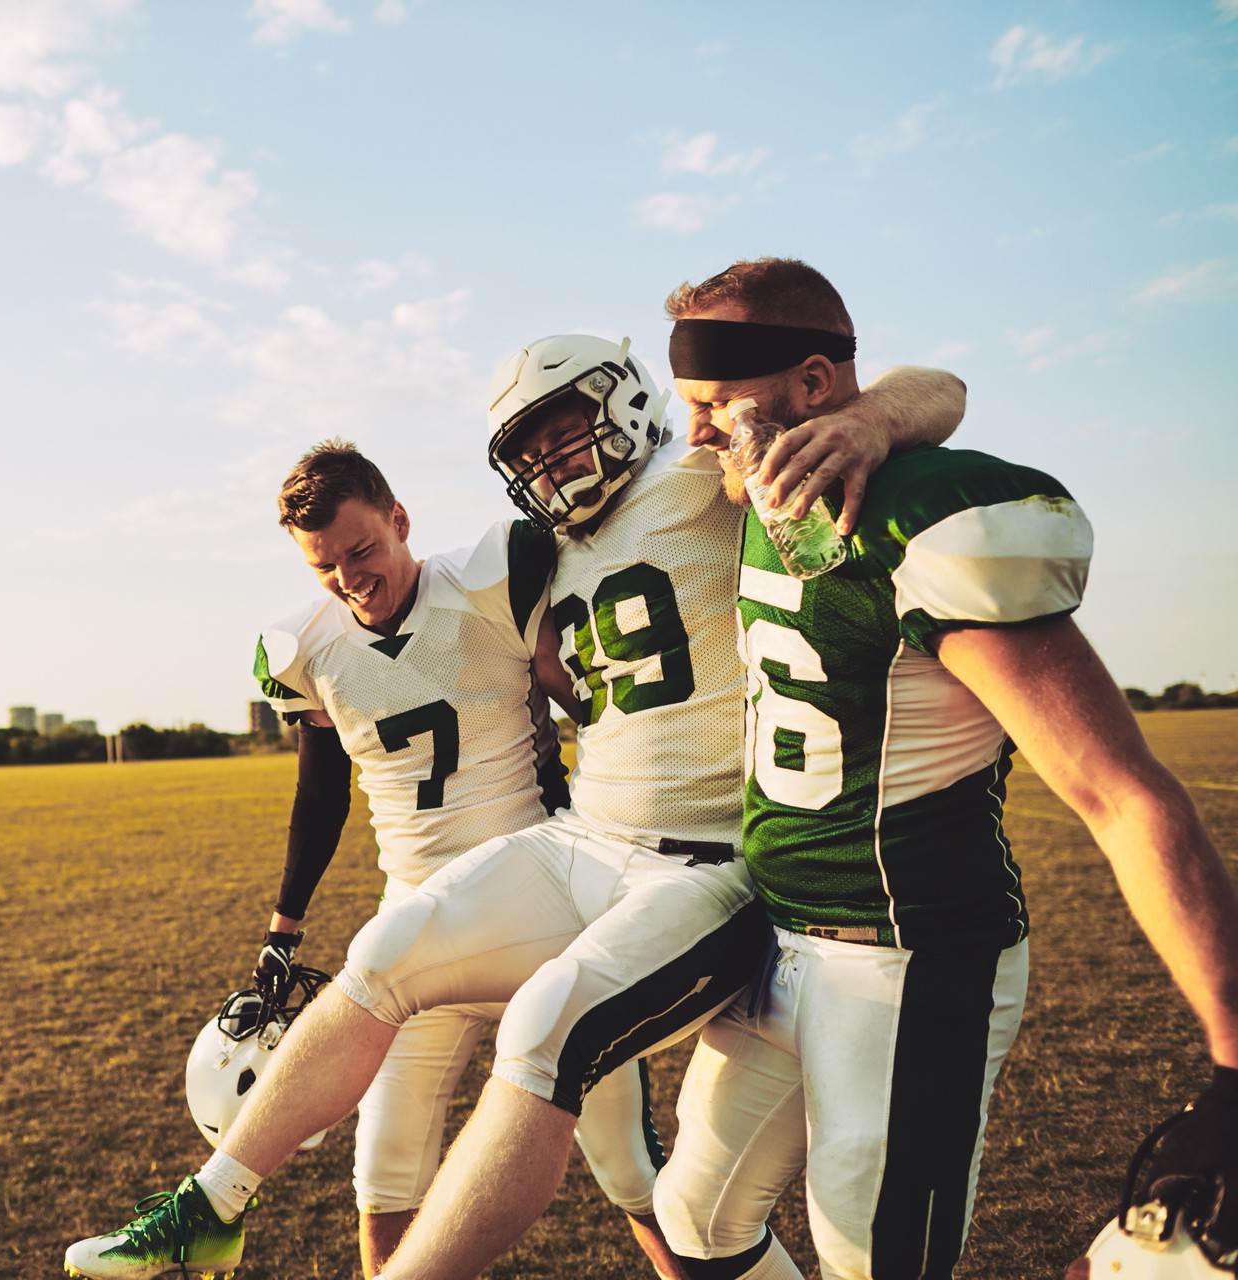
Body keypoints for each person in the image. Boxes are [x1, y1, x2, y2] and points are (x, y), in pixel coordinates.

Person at [64, 335, 967, 1280]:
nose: (551, 467)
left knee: (557, 1047)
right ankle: (210, 1205)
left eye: (565, 437)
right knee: (380, 955)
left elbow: (935, 389)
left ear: (623, 405)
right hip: (584, 839)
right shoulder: (535, 546)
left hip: (708, 859)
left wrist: (865, 419)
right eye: (527, 454)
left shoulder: (702, 474)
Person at [646, 257, 1238, 1280]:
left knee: (873, 1262)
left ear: (817, 388)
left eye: (712, 403)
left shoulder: (915, 513)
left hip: (909, 958)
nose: (693, 432)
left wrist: (1235, 1063)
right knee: (695, 1216)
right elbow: (935, 384)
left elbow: (1119, 792)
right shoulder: (746, 487)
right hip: (778, 939)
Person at [239, 440, 677, 1277]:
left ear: (399, 520)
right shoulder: (306, 649)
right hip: (415, 924)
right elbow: (321, 796)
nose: (349, 578)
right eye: (325, 565)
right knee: (384, 1176)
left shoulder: (489, 584)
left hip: (541, 909)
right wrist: (283, 927)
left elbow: (596, 712)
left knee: (631, 1168)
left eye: (362, 550)